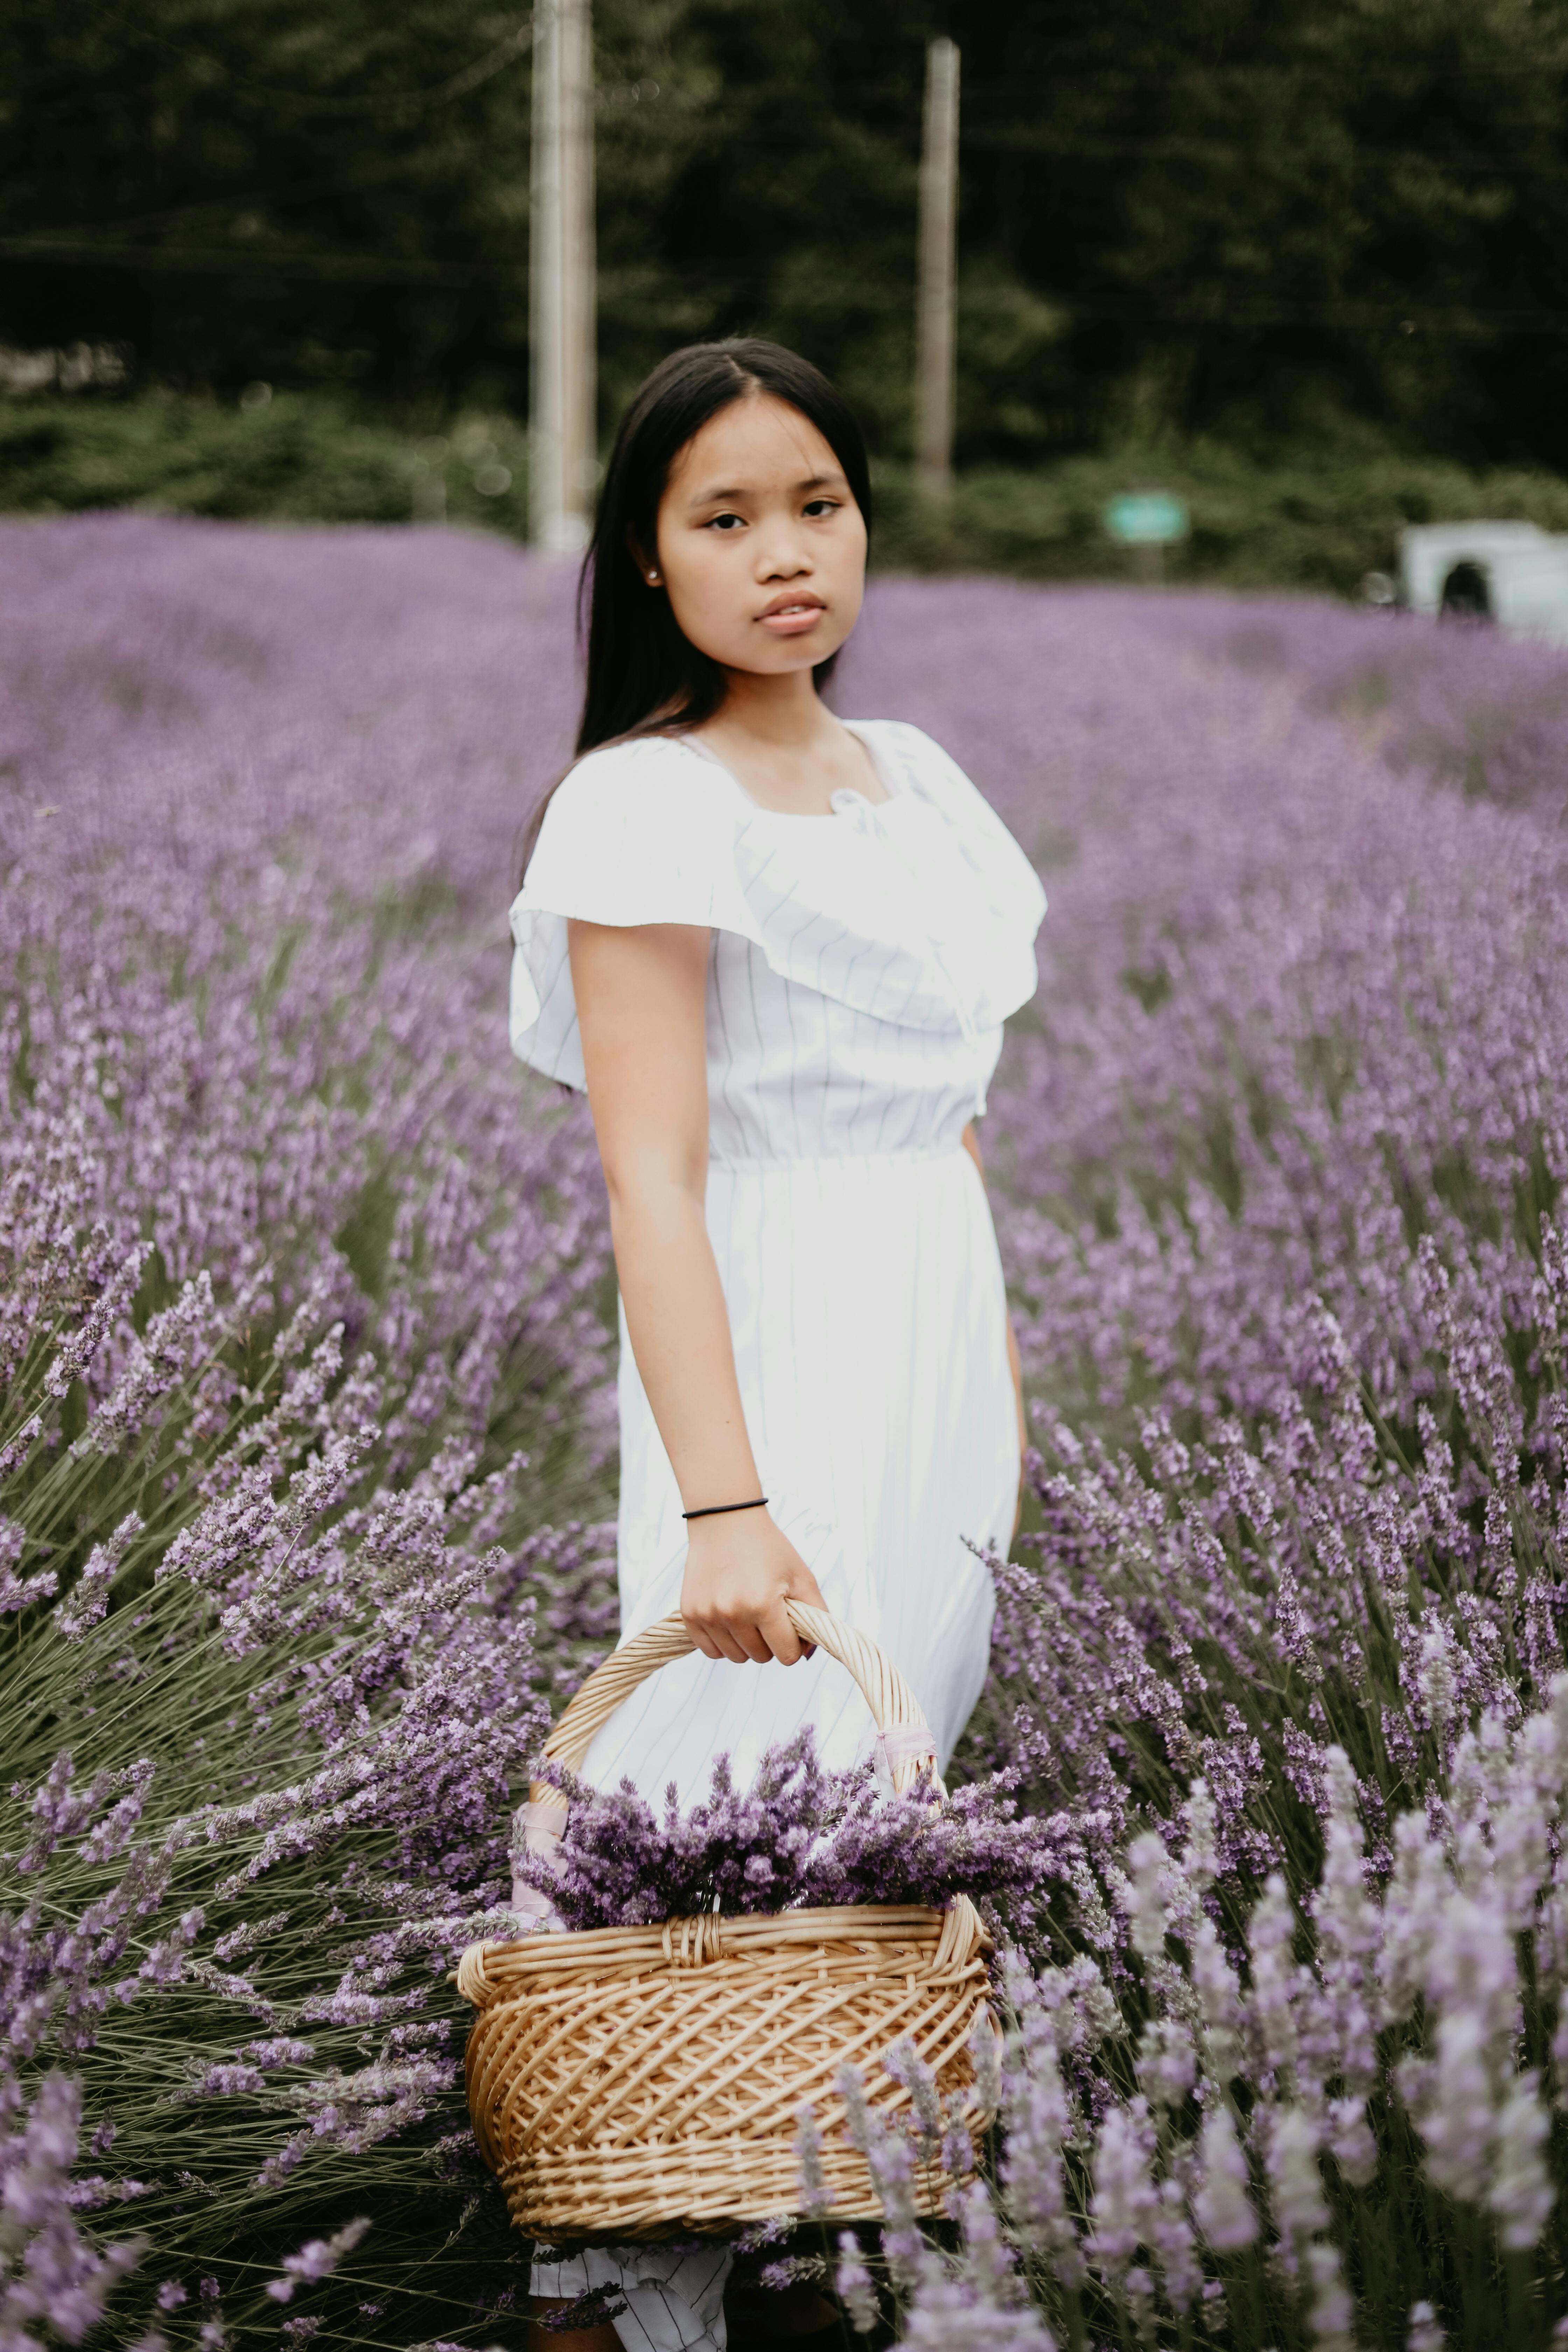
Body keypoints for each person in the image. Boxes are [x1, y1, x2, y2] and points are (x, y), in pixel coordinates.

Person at [507, 339, 1046, 2352]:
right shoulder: (645, 802)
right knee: (708, 1784)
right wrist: (727, 1503)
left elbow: (953, 1118)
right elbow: (650, 1180)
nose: (783, 552)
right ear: (650, 561)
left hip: (927, 1330)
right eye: (721, 518)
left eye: (813, 501)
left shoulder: (916, 779)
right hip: (770, 1338)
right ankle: (611, 2279)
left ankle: (777, 2247)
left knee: (864, 1817)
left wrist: (999, 1388)